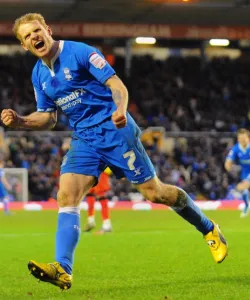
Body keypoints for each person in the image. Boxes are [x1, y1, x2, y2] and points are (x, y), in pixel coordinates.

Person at [1, 13, 228, 290]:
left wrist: (120, 110)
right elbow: (48, 117)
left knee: (155, 193)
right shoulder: (39, 75)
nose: (34, 37)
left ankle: (208, 228)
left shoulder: (81, 52)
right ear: (24, 46)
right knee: (66, 194)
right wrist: (22, 121)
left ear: (47, 29)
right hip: (84, 137)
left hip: (114, 129)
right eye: (27, 36)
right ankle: (63, 268)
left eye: (36, 31)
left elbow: (116, 85)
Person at [84, 168, 113, 234]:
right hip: (90, 169)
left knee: (101, 195)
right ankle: (90, 220)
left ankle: (107, 224)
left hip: (101, 168)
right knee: (89, 193)